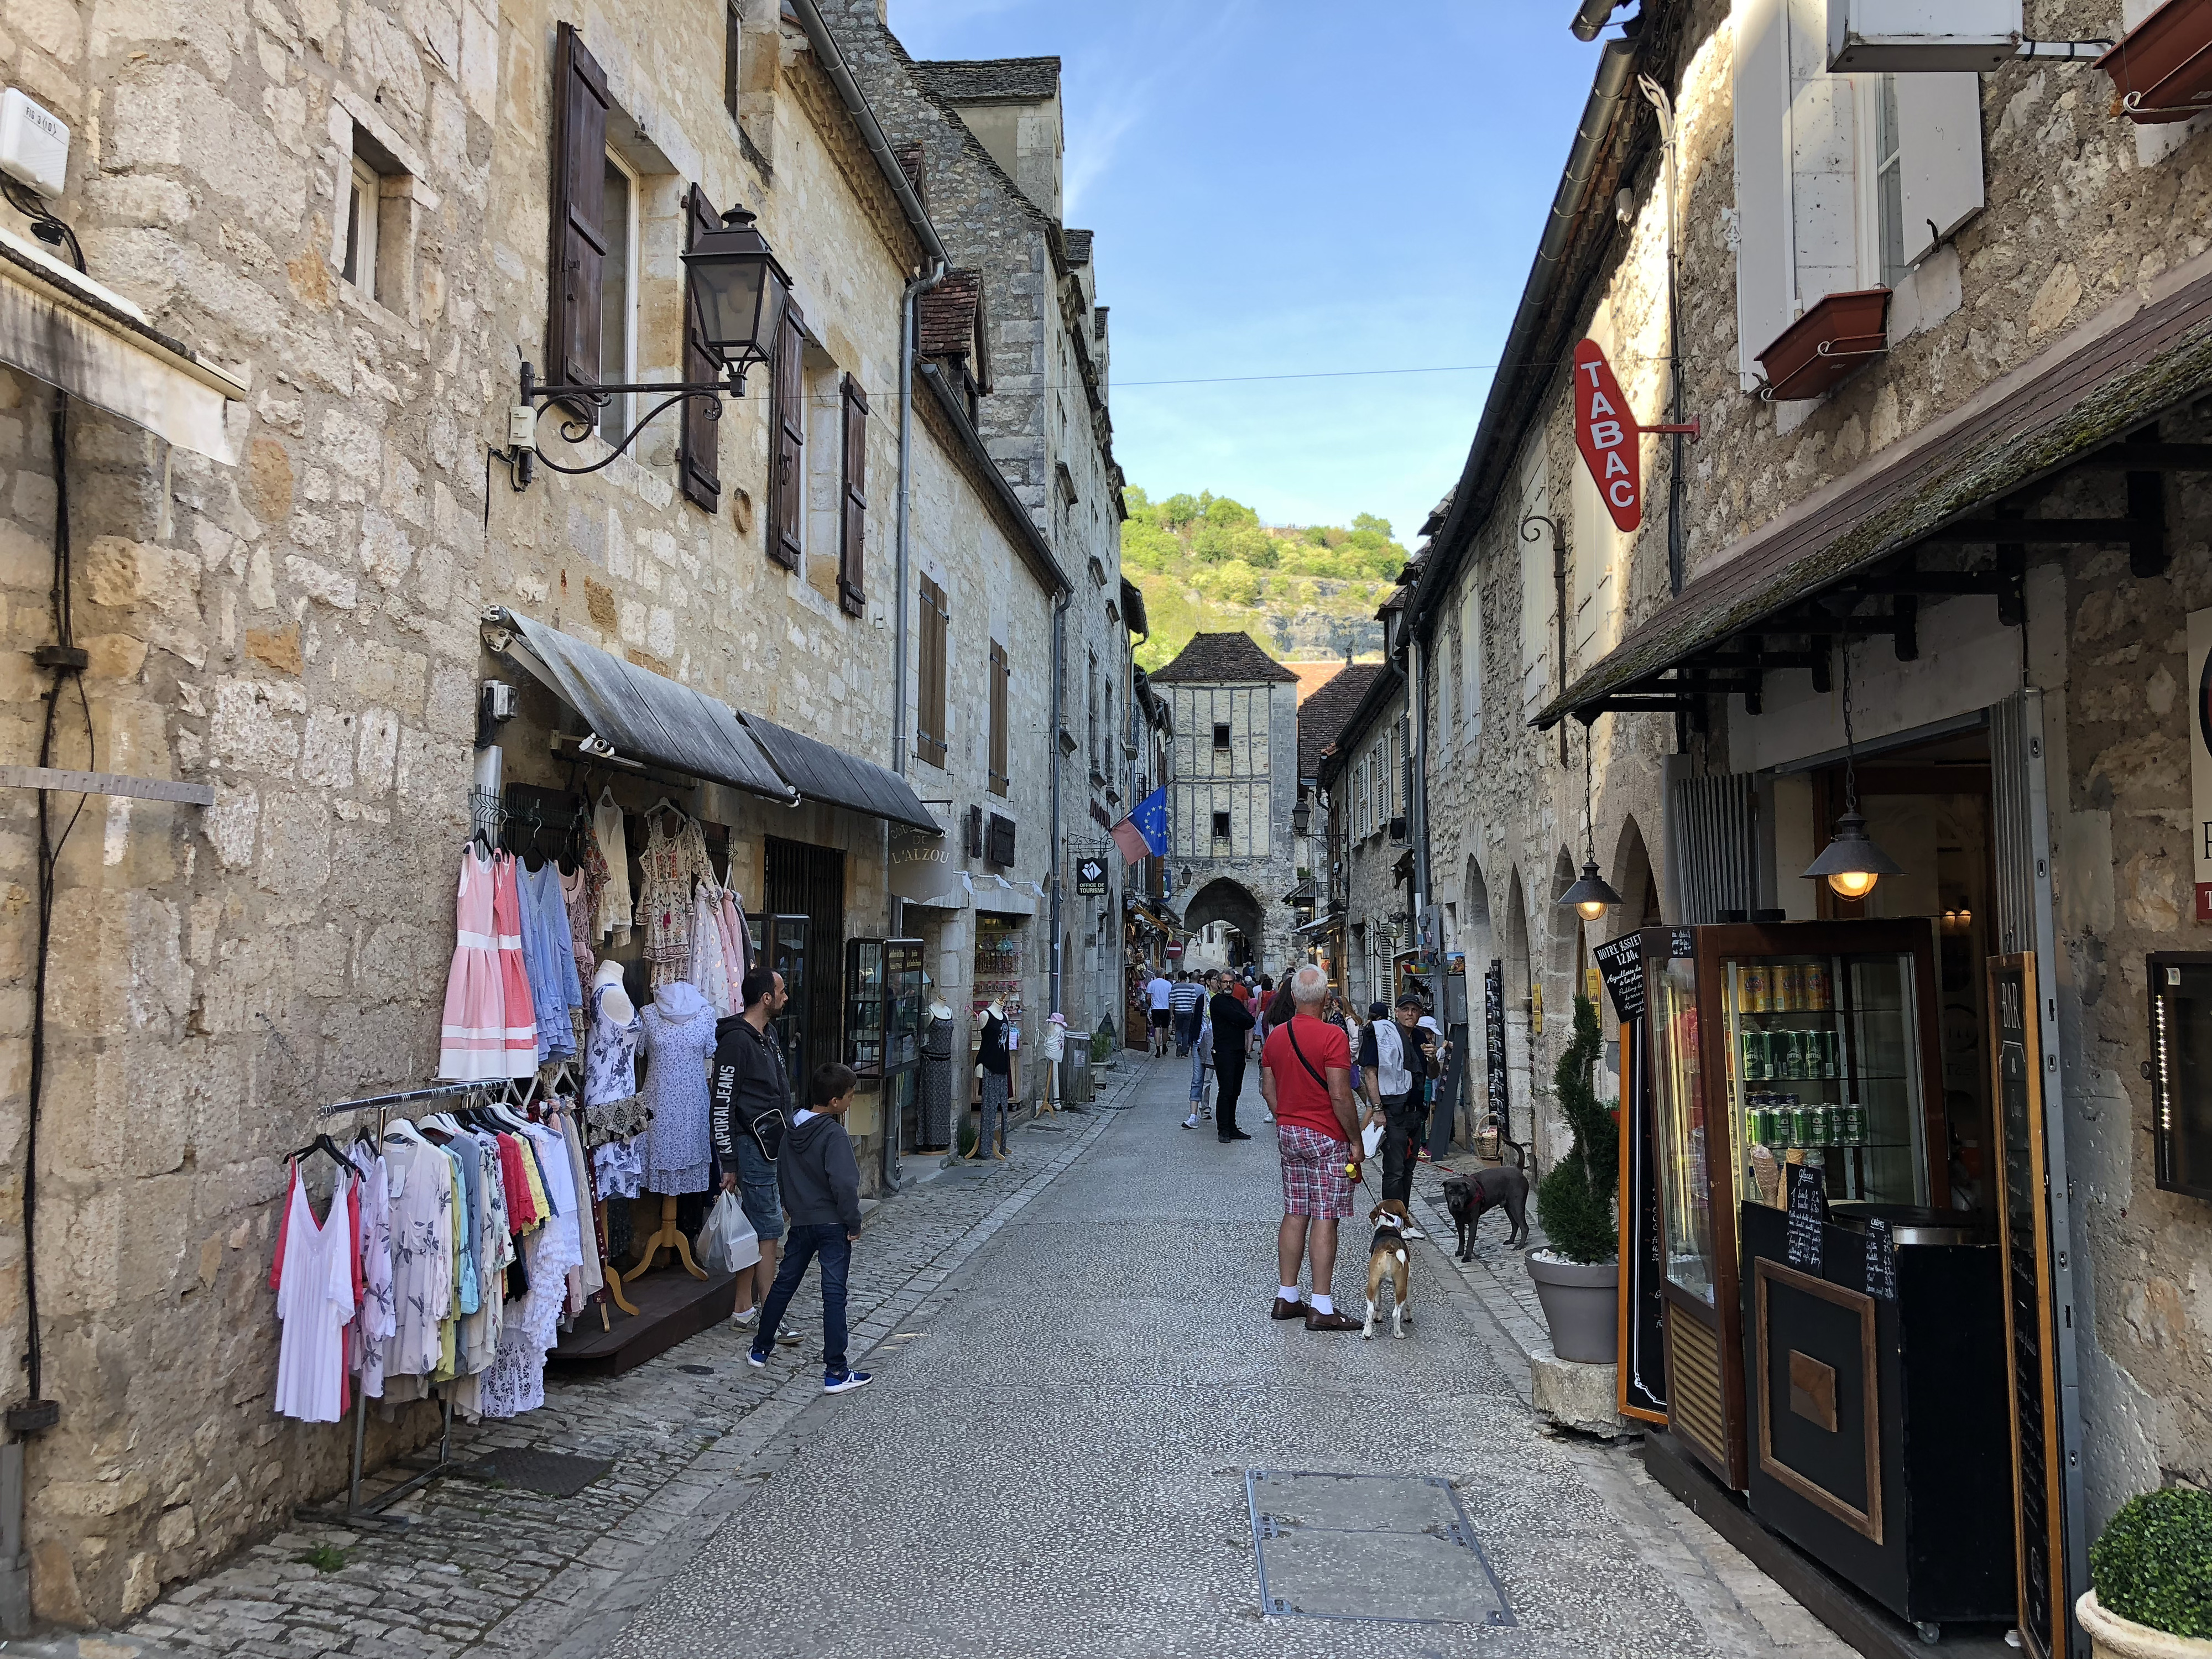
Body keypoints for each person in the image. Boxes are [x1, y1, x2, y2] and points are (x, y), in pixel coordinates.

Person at [747, 1062, 871, 1393]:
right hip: (832, 1223)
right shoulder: (833, 1135)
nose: (850, 1101)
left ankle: (760, 1349)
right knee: (833, 1295)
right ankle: (836, 1371)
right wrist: (853, 1221)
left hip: (802, 1221)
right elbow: (844, 1183)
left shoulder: (790, 1132)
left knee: (784, 1286)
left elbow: (782, 1177)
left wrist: (793, 1209)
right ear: (834, 1101)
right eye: (849, 1096)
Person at [1259, 963, 1362, 1331]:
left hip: (1289, 1132)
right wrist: (1355, 1139)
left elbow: (1266, 1089)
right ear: (1325, 998)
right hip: (1326, 1136)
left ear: (1291, 997)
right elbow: (1340, 1094)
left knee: (1295, 1211)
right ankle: (1321, 1305)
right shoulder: (1332, 1037)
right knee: (1325, 1216)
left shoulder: (1275, 1036)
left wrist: (1287, 1117)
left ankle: (1287, 1296)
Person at [711, 967, 801, 1345]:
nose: (785, 998)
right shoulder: (737, 1043)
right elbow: (722, 1105)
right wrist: (729, 1161)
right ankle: (771, 1315)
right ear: (766, 998)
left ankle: (743, 1308)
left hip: (772, 1144)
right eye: (780, 992)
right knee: (769, 1232)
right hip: (751, 1148)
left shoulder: (769, 1036)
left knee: (755, 1228)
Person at [1359, 994, 1438, 1233]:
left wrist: (1433, 1059)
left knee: (1408, 1170)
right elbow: (1370, 1073)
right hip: (1393, 1111)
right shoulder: (1381, 1035)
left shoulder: (1419, 1040)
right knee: (1394, 1171)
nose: (1410, 1014)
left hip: (1415, 1113)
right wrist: (1377, 1109)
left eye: (1415, 1009)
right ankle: (1391, 1222)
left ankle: (1402, 1219)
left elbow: (1432, 1074)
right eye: (1406, 1009)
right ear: (1396, 1012)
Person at [1209, 971, 1256, 1141]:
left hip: (1238, 1050)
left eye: (1231, 982)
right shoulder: (1217, 1002)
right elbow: (1240, 1018)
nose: (1228, 985)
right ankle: (1223, 1130)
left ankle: (1232, 1126)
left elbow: (1249, 1021)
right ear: (1219, 984)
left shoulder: (1236, 1002)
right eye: (1225, 982)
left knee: (1235, 1091)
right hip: (1223, 1051)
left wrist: (1240, 1020)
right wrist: (1240, 1020)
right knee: (1226, 1090)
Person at [1182, 982, 1215, 1129]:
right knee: (1198, 1079)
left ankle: (1224, 1117)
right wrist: (1191, 1041)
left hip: (1218, 1043)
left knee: (1219, 1080)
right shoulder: (1203, 998)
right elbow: (1196, 1020)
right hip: (1200, 1042)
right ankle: (1194, 1115)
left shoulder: (1222, 999)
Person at [1170, 971, 1204, 1056]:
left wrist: (1171, 1013)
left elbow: (1172, 1001)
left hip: (1178, 1011)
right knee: (1186, 1031)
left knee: (1178, 1029)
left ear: (1179, 977)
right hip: (1188, 1012)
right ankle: (1185, 1051)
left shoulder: (1174, 987)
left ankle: (1179, 1044)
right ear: (1186, 978)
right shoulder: (1191, 987)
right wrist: (1194, 1013)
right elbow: (1193, 1001)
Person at [1145, 968, 1175, 1057]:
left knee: (1157, 1028)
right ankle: (1164, 1047)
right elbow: (1171, 997)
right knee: (1165, 1028)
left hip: (1155, 1009)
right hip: (1166, 1009)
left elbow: (1148, 998)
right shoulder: (1168, 984)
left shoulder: (1151, 984)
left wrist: (1150, 1005)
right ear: (1163, 974)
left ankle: (1158, 1049)